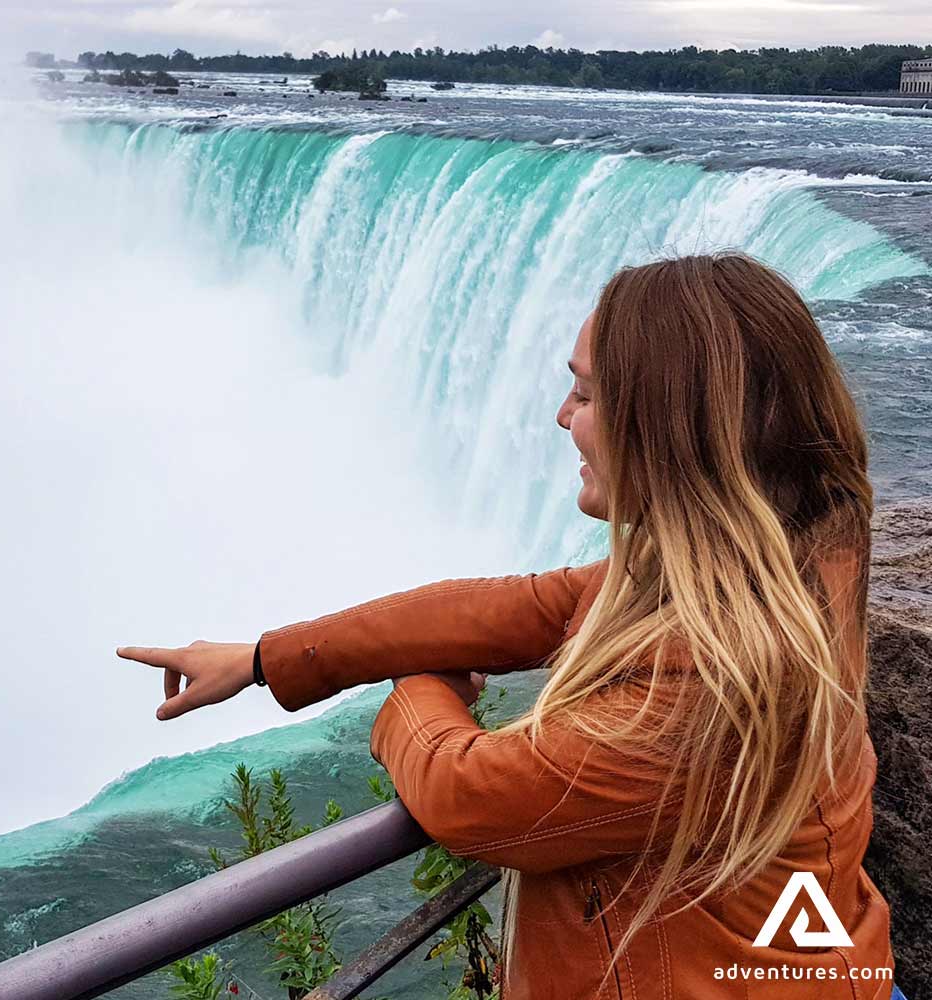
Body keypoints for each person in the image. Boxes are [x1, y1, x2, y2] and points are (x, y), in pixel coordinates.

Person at [118, 254, 906, 999]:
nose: (563, 417)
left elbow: (465, 794)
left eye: (589, 396)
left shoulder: (709, 682)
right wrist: (267, 658)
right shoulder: (789, 563)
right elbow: (528, 605)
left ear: (673, 428)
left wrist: (413, 689)